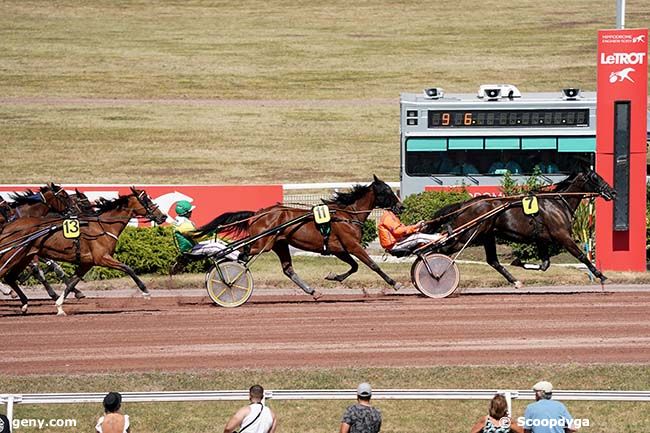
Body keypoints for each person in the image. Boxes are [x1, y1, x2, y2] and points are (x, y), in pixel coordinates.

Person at [171, 200, 239, 273]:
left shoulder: (180, 221)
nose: (191, 212)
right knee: (216, 246)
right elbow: (198, 236)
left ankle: (233, 252)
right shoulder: (184, 225)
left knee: (217, 241)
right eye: (190, 211)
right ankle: (238, 256)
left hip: (191, 246)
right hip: (191, 250)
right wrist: (212, 232)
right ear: (185, 213)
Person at [378, 205, 444, 256]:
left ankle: (437, 236)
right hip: (394, 246)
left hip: (397, 242)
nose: (400, 211)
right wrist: (415, 226)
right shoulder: (388, 217)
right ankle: (440, 239)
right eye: (399, 208)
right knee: (418, 237)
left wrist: (417, 229)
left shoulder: (391, 216)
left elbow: (404, 230)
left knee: (418, 235)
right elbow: (398, 231)